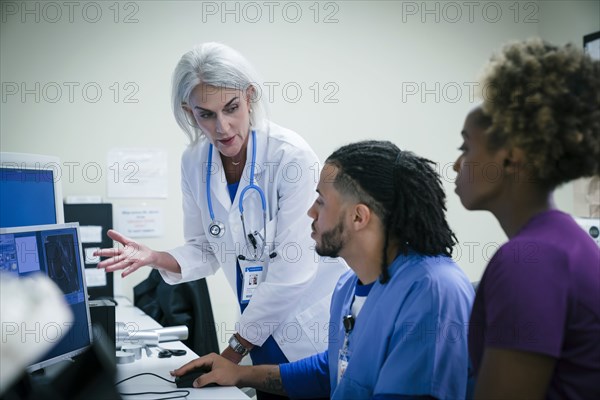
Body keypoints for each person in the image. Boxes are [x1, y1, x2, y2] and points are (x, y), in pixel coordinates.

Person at [95, 42, 347, 400]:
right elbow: (204, 248)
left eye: (231, 108)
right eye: (206, 115)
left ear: (250, 97)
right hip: (256, 329)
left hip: (307, 327)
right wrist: (155, 257)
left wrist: (230, 356)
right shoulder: (194, 161)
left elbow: (293, 271)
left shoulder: (291, 156)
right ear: (188, 111)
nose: (222, 127)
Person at [172, 140, 475, 399]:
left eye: (320, 201)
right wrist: (239, 374)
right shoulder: (348, 287)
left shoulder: (432, 291)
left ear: (358, 217)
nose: (310, 212)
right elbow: (332, 370)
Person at [454, 38, 600, 399]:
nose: (457, 164)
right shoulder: (562, 242)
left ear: (510, 157)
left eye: (465, 148)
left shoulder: (529, 261)